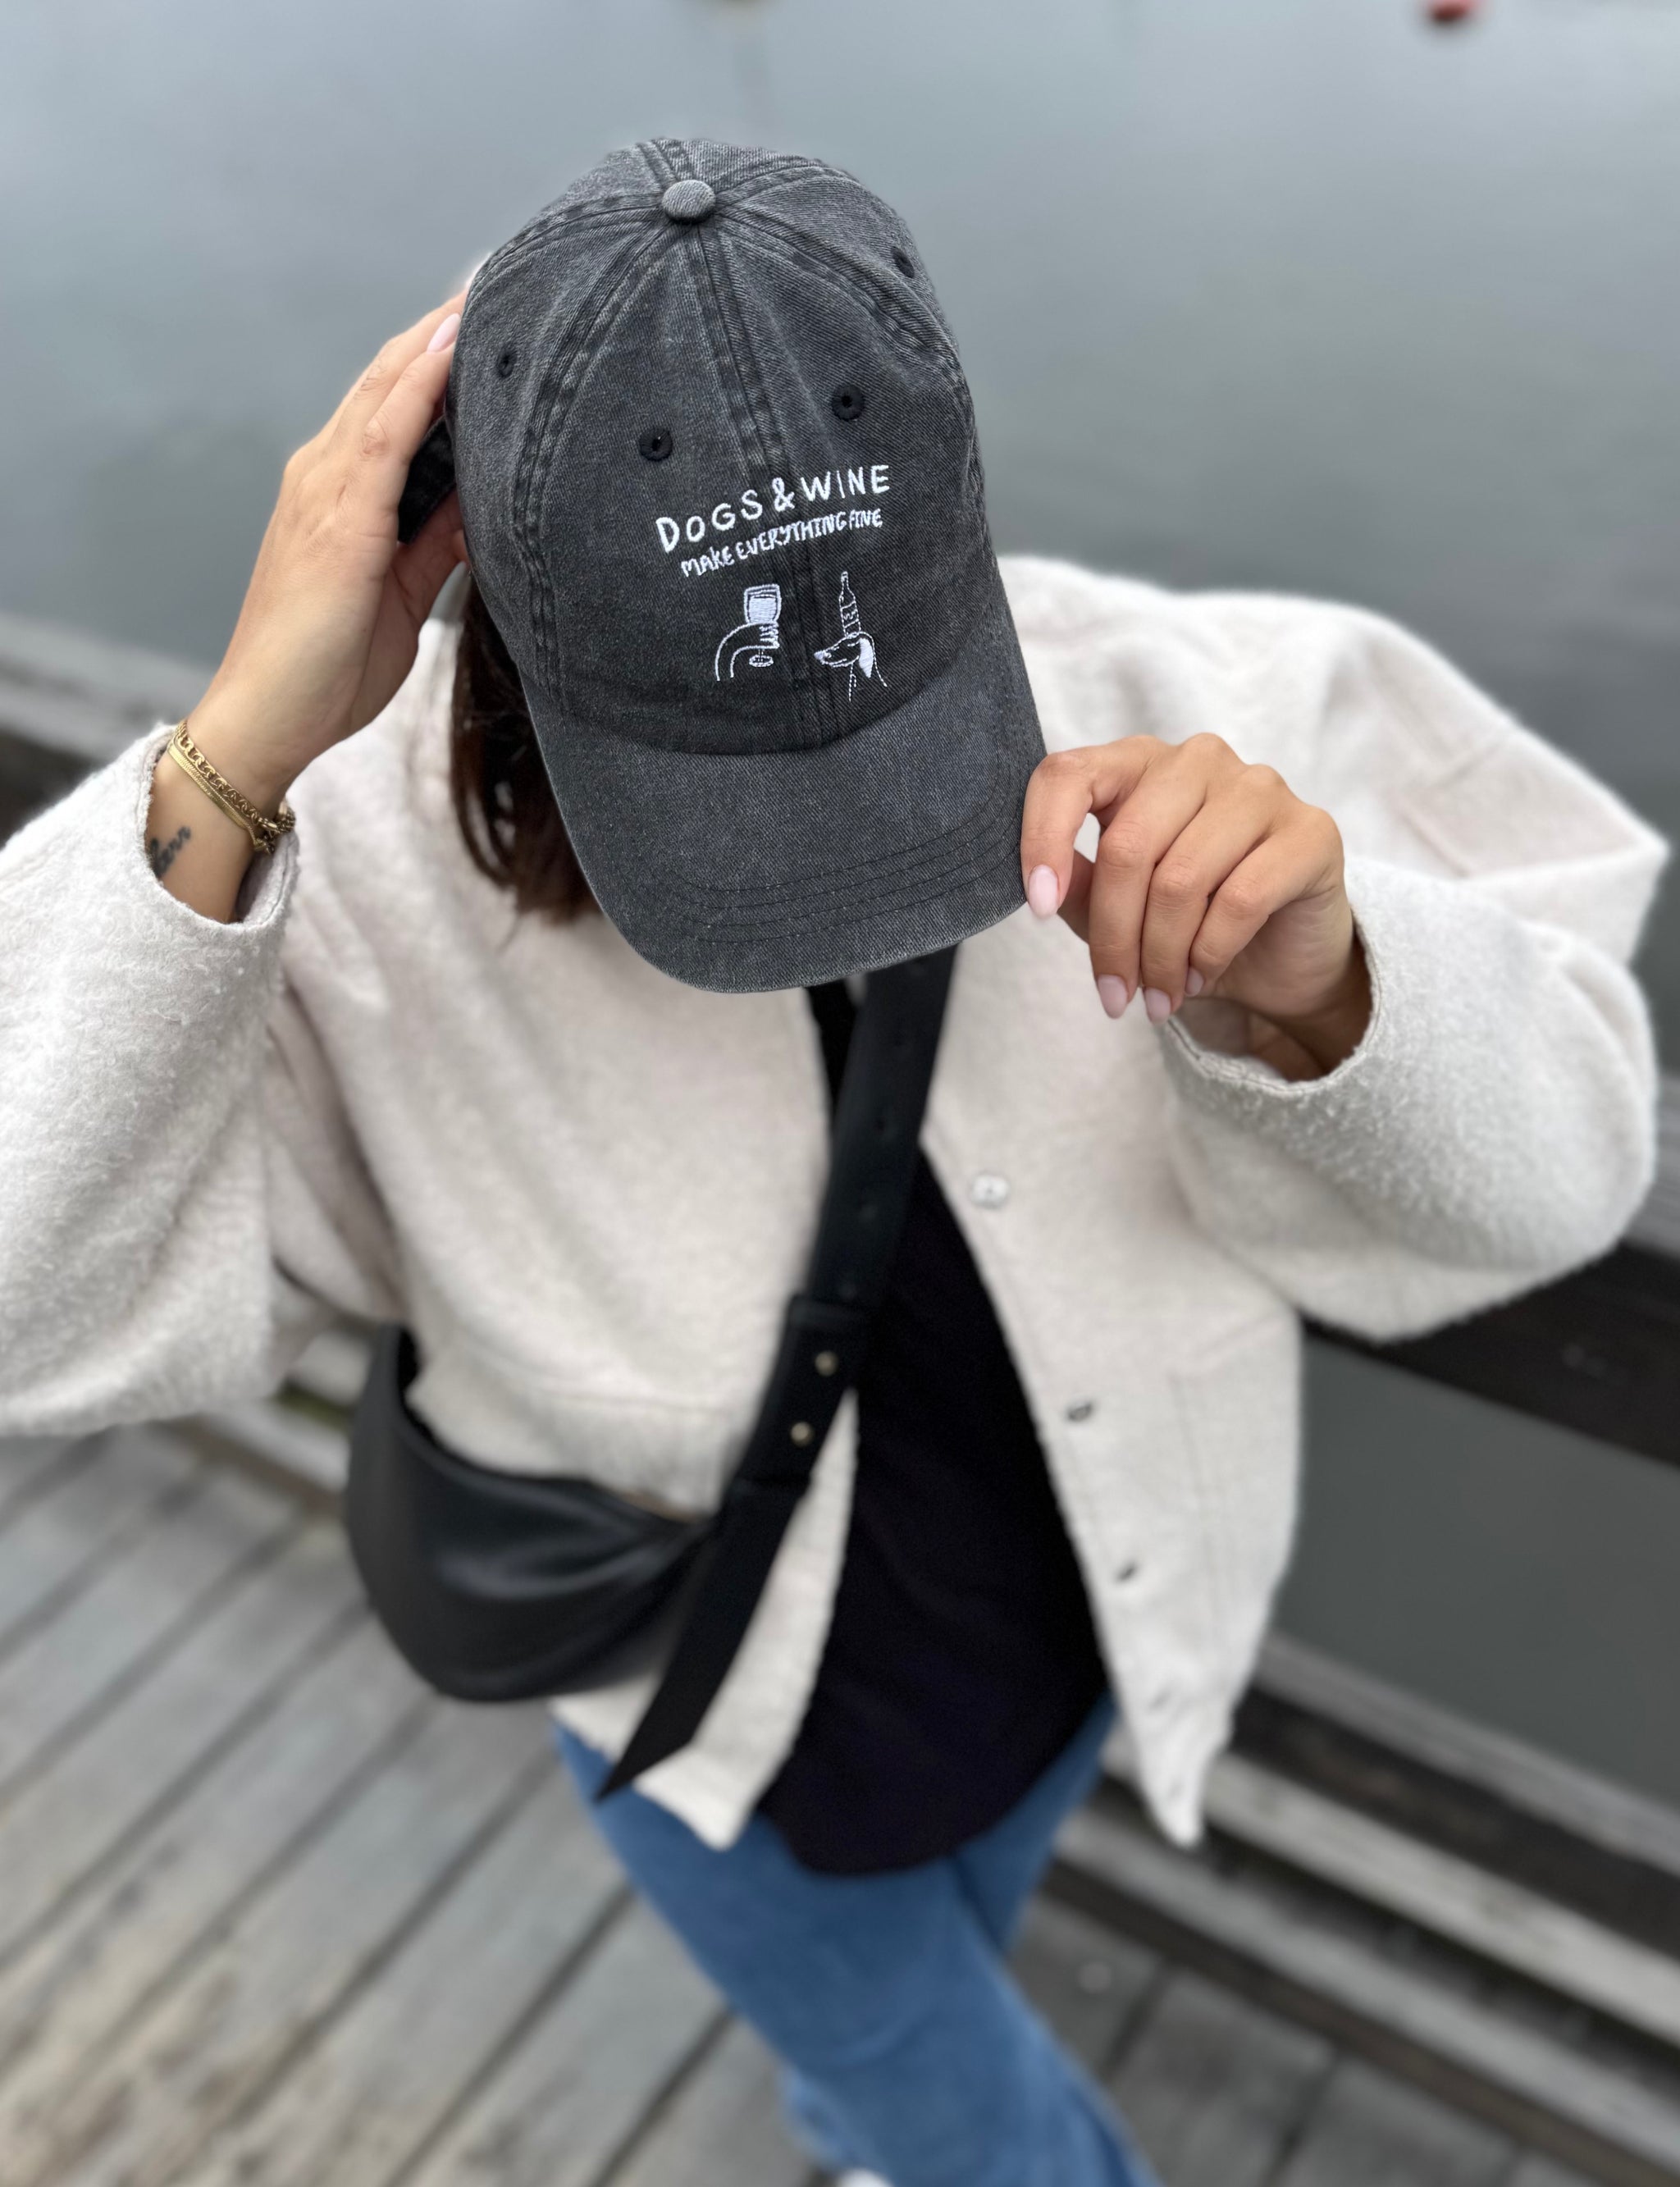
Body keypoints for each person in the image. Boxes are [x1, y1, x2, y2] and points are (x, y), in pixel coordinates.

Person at [0, 140, 1665, 2187]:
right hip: (708, 1740)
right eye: (718, 786)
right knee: (982, 2133)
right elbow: (23, 1310)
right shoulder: (353, 884)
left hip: (1081, 1657)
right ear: (484, 591)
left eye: (890, 757)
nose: (831, 880)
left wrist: (1326, 984)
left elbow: (1571, 1170)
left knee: (908, 2050)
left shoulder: (1208, 714)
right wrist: (236, 757)